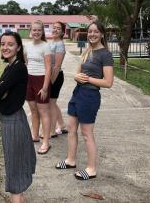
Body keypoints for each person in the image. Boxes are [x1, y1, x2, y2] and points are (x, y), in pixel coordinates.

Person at [55, 21, 114, 181]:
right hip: (78, 93)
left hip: (90, 96)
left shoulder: (105, 54)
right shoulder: (87, 51)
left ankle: (91, 169)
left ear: (102, 34)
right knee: (71, 128)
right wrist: (76, 76)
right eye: (90, 32)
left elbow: (108, 82)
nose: (92, 34)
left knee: (87, 134)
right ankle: (70, 160)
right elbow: (77, 73)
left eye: (95, 31)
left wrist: (88, 79)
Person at [0, 32, 36, 203]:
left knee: (14, 164)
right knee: (15, 160)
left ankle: (17, 198)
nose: (5, 47)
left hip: (13, 120)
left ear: (18, 47)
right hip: (11, 118)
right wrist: (2, 90)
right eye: (3, 43)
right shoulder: (11, 66)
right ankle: (20, 198)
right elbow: (0, 93)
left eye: (10, 44)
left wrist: (2, 90)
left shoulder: (18, 68)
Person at [25, 20, 52, 155]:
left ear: (42, 32)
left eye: (39, 30)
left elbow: (48, 68)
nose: (36, 32)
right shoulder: (27, 46)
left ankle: (46, 142)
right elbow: (26, 62)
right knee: (34, 111)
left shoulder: (46, 46)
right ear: (31, 31)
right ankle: (34, 135)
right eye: (34, 30)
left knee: (44, 113)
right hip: (29, 80)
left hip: (41, 81)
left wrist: (45, 87)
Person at [49, 21, 67, 137]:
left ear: (62, 32)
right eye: (54, 27)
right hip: (50, 76)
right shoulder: (52, 42)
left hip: (55, 77)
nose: (55, 30)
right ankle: (62, 124)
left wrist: (50, 82)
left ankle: (51, 132)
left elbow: (57, 66)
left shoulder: (60, 44)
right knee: (53, 104)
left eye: (58, 28)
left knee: (51, 104)